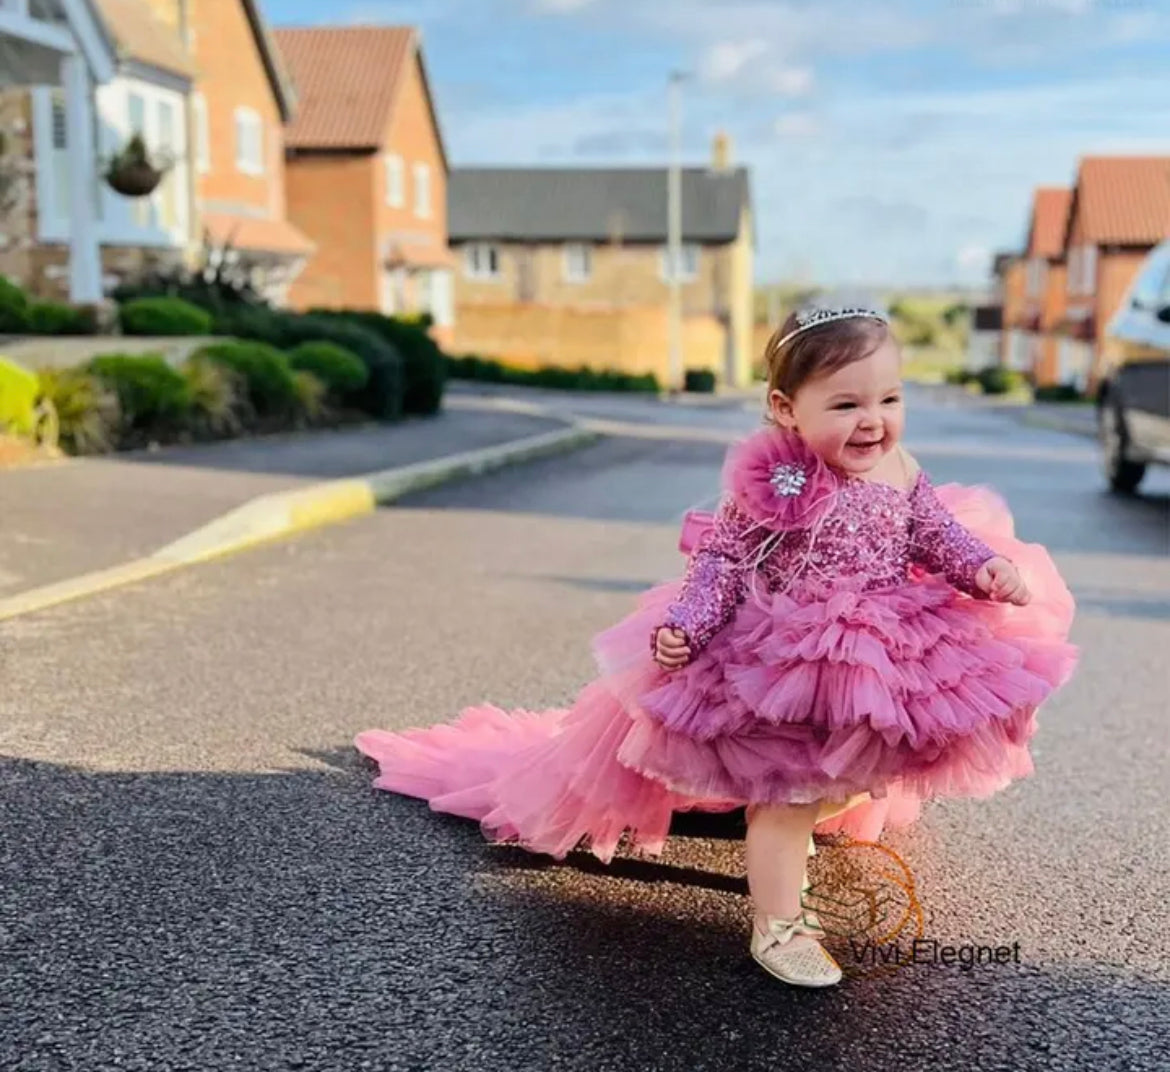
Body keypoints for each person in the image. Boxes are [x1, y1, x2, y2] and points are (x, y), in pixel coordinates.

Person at [354, 304, 1078, 990]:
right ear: (785, 409)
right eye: (846, 405)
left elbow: (935, 532)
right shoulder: (779, 480)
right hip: (787, 655)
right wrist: (690, 625)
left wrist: (982, 568)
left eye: (888, 400)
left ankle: (795, 841)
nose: (873, 422)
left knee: (850, 769)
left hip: (885, 643)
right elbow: (724, 561)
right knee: (787, 790)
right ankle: (778, 925)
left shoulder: (900, 468)